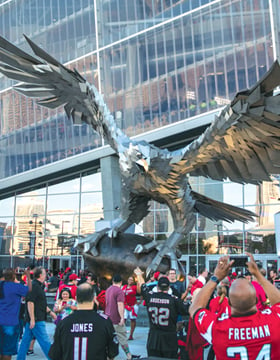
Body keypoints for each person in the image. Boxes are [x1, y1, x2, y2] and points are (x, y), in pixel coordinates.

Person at [189, 253, 280, 359]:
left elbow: (195, 308)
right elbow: (278, 301)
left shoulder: (217, 327)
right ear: (255, 300)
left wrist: (216, 277)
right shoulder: (274, 321)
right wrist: (258, 275)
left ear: (230, 302)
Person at [49, 283, 119, 360]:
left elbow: (55, 353)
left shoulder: (64, 322)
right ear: (93, 299)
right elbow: (113, 351)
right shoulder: (104, 321)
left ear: (76, 298)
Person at [134, 267, 189, 359]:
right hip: (169, 339)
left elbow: (143, 286)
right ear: (168, 287)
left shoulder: (150, 296)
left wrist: (139, 274)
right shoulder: (174, 300)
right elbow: (187, 310)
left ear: (157, 286)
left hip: (153, 339)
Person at [17, 267, 56, 360]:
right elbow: (30, 302)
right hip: (36, 319)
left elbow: (39, 303)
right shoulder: (34, 286)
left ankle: (20, 358)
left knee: (25, 342)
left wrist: (51, 313)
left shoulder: (37, 286)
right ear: (40, 275)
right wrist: (33, 319)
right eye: (44, 274)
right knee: (45, 341)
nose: (46, 275)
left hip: (34, 319)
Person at [105, 274, 140, 360]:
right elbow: (120, 305)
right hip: (116, 319)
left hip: (108, 318)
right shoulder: (119, 291)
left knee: (109, 339)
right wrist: (121, 317)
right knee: (122, 338)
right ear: (121, 282)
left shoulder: (108, 290)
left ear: (112, 281)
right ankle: (128, 355)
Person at [0, 268, 31, 360]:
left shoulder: (1, 285)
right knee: (7, 351)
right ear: (14, 276)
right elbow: (29, 290)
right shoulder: (16, 287)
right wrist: (28, 276)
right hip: (10, 322)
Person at [122, 276, 141, 340]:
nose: (130, 281)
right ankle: (122, 334)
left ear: (133, 281)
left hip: (133, 306)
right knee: (123, 319)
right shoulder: (124, 287)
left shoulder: (134, 287)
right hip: (125, 306)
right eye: (129, 279)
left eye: (132, 280)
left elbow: (141, 293)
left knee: (132, 320)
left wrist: (140, 301)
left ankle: (131, 335)